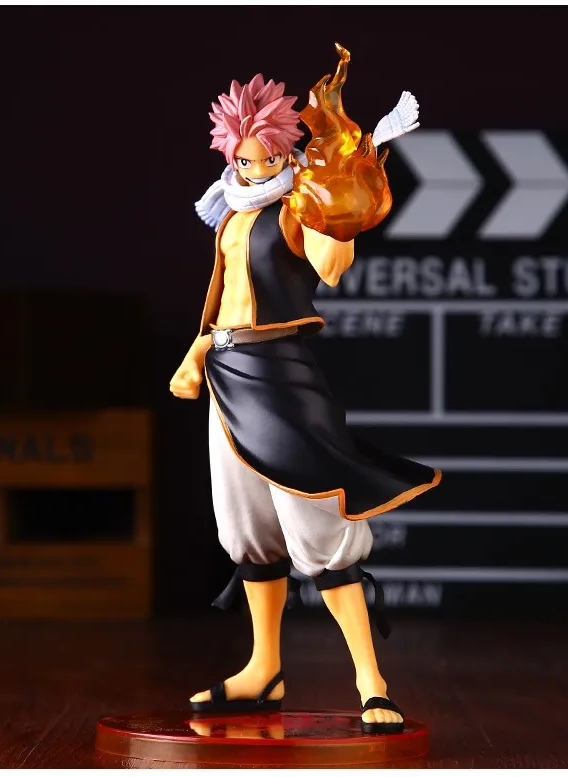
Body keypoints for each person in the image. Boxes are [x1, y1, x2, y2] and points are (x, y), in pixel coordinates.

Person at [170, 58, 440, 734]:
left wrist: (341, 192)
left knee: (317, 523)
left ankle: (371, 681)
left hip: (281, 378)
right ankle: (263, 667)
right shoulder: (230, 212)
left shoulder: (298, 208)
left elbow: (332, 267)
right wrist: (196, 354)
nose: (255, 169)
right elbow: (222, 303)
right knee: (247, 529)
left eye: (266, 158)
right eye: (244, 159)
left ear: (285, 153)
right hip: (227, 374)